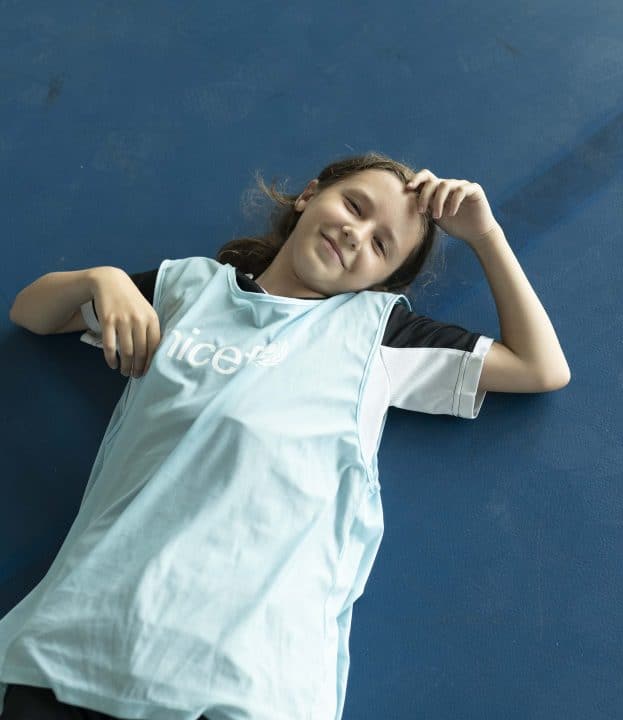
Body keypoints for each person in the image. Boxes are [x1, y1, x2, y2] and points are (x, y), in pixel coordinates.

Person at [1, 151, 570, 720]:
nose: (356, 233)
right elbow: (33, 312)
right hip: (75, 651)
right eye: (354, 205)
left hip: (244, 683)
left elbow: (539, 368)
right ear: (309, 194)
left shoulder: (377, 337)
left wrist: (485, 235)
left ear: (383, 280)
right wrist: (104, 281)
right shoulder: (187, 289)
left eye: (380, 245)